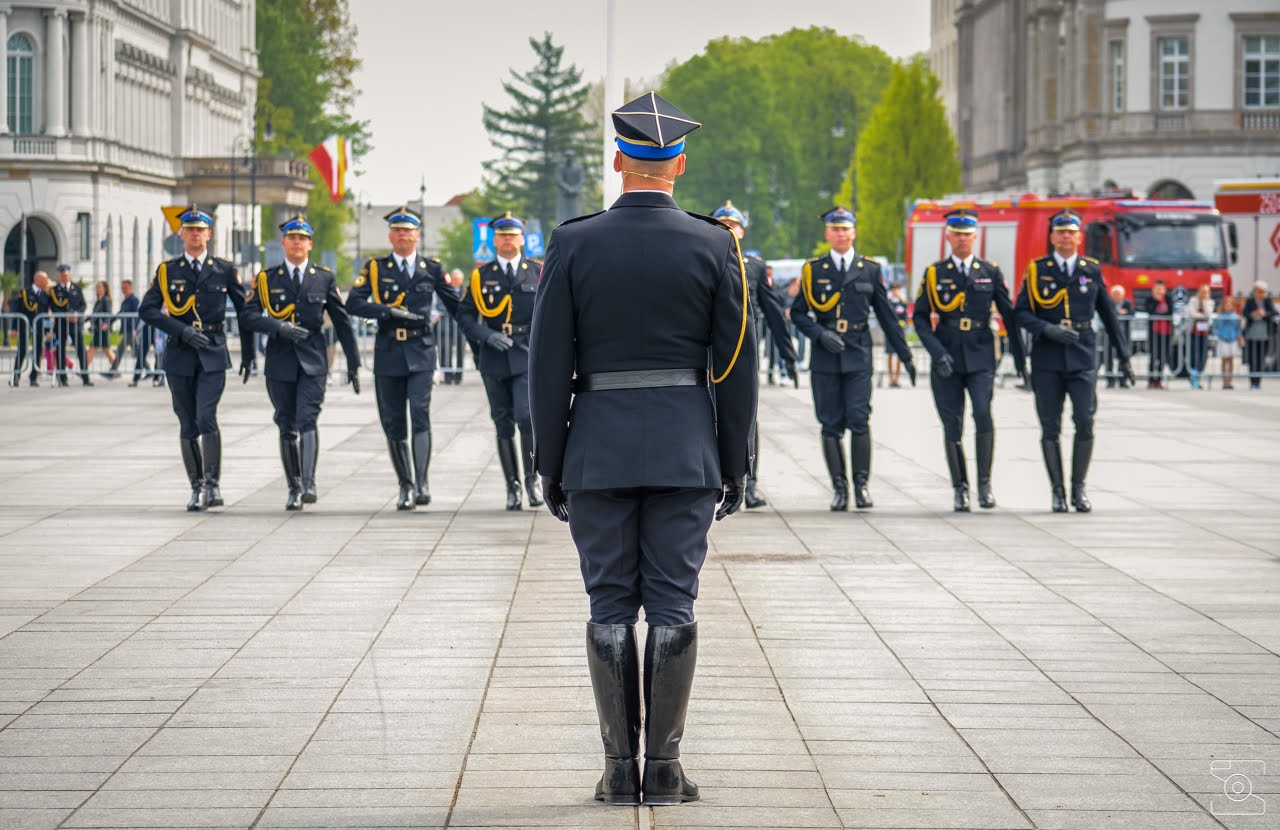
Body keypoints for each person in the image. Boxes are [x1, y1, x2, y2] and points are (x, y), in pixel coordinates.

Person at [529, 92, 756, 807]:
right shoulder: (716, 244)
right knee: (672, 603)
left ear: (619, 160)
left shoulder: (572, 243)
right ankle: (663, 770)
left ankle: (616, 769)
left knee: (608, 604)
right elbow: (735, 365)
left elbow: (546, 366)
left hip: (597, 450)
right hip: (686, 452)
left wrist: (551, 459)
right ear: (679, 166)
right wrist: (734, 459)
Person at [790, 206, 916, 510]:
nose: (841, 234)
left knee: (860, 419)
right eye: (835, 229)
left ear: (853, 232)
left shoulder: (870, 269)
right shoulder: (813, 270)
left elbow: (886, 316)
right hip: (825, 356)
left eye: (845, 229)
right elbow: (797, 313)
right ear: (827, 234)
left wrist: (905, 355)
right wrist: (819, 334)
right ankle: (840, 488)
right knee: (830, 423)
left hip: (858, 353)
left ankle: (861, 486)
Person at [1014, 210, 1133, 513]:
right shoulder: (1037, 270)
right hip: (1048, 357)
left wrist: (1124, 355)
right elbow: (1022, 313)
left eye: (1071, 232)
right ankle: (1058, 491)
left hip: (1082, 354)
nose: (1066, 237)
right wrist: (1047, 329)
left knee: (1084, 419)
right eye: (1060, 232)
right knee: (1050, 425)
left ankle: (1079, 488)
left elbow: (1108, 313)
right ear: (1052, 236)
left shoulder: (1091, 269)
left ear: (1079, 236)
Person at [138, 205, 252, 511]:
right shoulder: (168, 271)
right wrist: (180, 330)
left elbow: (245, 312)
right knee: (187, 422)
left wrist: (250, 352)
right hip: (180, 352)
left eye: (200, 230)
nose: (195, 234)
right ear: (181, 234)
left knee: (206, 416)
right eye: (190, 229)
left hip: (213, 350)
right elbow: (147, 310)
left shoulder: (224, 270)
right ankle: (196, 487)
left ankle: (213, 485)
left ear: (209, 234)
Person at [244, 214, 361, 510]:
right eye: (291, 238)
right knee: (286, 423)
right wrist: (278, 326)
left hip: (312, 358)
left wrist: (354, 362)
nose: (297, 243)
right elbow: (248, 316)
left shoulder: (323, 277)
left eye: (302, 238)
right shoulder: (267, 279)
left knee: (308, 417)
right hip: (280, 359)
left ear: (310, 244)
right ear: (284, 243)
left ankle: (309, 482)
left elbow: (341, 321)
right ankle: (293, 486)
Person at [347, 206, 461, 510]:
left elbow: (456, 306)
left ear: (417, 235)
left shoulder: (432, 269)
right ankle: (405, 485)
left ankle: (422, 482)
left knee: (420, 413)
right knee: (393, 420)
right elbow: (353, 303)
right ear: (390, 235)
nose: (403, 236)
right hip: (388, 352)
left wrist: (480, 332)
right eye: (398, 230)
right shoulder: (375, 268)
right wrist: (385, 310)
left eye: (408, 231)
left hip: (421, 350)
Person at [913, 208, 1026, 512]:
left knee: (983, 413)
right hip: (947, 352)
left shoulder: (989, 271)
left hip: (980, 353)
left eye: (967, 234)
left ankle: (984, 485)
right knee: (952, 424)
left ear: (975, 237)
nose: (962, 239)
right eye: (957, 234)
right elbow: (920, 318)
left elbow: (1009, 316)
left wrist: (1020, 360)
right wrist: (937, 352)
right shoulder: (935, 272)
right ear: (948, 236)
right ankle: (960, 488)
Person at [711, 201, 797, 509]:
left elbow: (773, 311)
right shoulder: (704, 257)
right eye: (722, 224)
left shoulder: (755, 266)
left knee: (747, 417)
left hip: (743, 353)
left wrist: (788, 354)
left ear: (742, 231)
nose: (728, 229)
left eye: (733, 225)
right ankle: (715, 480)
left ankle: (749, 483)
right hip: (709, 352)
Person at [457, 212, 544, 511]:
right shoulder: (481, 275)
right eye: (502, 235)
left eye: (512, 234)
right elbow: (465, 314)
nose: (507, 239)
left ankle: (532, 481)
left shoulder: (538, 272)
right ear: (495, 240)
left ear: (522, 239)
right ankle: (512, 486)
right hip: (494, 355)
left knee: (526, 417)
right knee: (502, 422)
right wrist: (484, 335)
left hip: (526, 353)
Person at [47, 265, 93, 386]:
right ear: (58, 276)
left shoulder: (76, 288)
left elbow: (83, 304)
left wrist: (77, 314)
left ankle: (85, 377)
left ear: (69, 275)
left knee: (81, 350)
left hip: (75, 324)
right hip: (61, 324)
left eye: (66, 275)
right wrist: (64, 315)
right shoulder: (54, 290)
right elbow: (52, 306)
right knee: (61, 350)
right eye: (62, 276)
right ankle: (62, 378)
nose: (64, 277)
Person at [9, 272, 50, 387]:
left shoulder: (45, 296)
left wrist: (47, 331)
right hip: (25, 327)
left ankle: (33, 377)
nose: (46, 282)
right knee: (22, 351)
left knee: (38, 352)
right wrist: (14, 328)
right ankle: (16, 377)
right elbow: (17, 311)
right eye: (45, 279)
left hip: (39, 328)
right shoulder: (24, 293)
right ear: (37, 279)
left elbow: (45, 315)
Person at [1242, 281, 1277, 389]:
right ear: (1255, 291)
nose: (1261, 294)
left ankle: (1258, 382)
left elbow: (1274, 313)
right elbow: (1244, 313)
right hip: (1251, 335)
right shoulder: (1250, 301)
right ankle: (1252, 382)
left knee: (1261, 359)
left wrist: (1265, 314)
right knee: (1252, 359)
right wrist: (1252, 314)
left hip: (1264, 335)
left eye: (1263, 292)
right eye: (1259, 291)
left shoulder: (1267, 301)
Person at [110, 279, 144, 384]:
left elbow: (137, 316)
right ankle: (148, 370)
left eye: (125, 287)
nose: (123, 290)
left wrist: (135, 329)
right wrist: (110, 321)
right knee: (138, 352)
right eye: (122, 288)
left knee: (120, 349)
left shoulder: (134, 300)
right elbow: (120, 313)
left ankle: (113, 370)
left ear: (130, 288)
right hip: (126, 330)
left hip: (131, 330)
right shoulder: (125, 301)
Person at [1184, 284, 1214, 389]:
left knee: (1203, 356)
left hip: (1204, 333)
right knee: (1194, 355)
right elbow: (1192, 314)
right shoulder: (1192, 301)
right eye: (1202, 291)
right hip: (1193, 332)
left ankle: (1198, 376)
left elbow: (1209, 313)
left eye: (1206, 292)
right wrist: (1202, 315)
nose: (1204, 294)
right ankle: (1193, 378)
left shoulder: (1210, 302)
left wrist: (1204, 302)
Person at [1144, 280, 1172, 389]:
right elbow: (1150, 311)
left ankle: (1158, 380)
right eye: (1156, 289)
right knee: (1153, 357)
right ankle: (1150, 379)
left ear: (1164, 290)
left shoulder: (1168, 300)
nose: (1159, 291)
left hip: (1166, 332)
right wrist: (1156, 301)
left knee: (1162, 357)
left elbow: (1170, 312)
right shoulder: (1150, 300)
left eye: (1161, 289)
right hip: (1154, 332)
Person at [1104, 285, 1134, 388]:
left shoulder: (1127, 303)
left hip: (1124, 335)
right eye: (1115, 294)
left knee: (1124, 356)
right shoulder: (1109, 303)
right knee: (1109, 356)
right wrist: (1117, 313)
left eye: (1119, 294)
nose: (1117, 296)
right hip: (1110, 334)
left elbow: (1132, 312)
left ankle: (1123, 380)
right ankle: (1110, 380)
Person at [1213, 294, 1243, 390]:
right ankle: (1224, 380)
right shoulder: (1219, 316)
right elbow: (1215, 328)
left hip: (1232, 339)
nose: (1228, 306)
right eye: (1226, 304)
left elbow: (1238, 328)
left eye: (1230, 304)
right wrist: (1220, 335)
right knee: (1224, 360)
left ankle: (1230, 380)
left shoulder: (1235, 317)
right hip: (1223, 339)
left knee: (1231, 360)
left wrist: (1237, 336)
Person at [86, 280, 116, 373]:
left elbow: (108, 313)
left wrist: (106, 323)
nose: (97, 289)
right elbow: (94, 314)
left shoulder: (106, 300)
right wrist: (85, 320)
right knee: (105, 349)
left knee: (94, 349)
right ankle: (115, 369)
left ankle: (84, 370)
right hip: (98, 329)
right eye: (97, 287)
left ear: (105, 289)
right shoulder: (98, 301)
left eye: (100, 287)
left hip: (103, 329)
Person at [886, 283, 909, 388]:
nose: (896, 291)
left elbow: (905, 317)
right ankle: (891, 379)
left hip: (900, 332)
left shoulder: (902, 303)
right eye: (894, 289)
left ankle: (897, 379)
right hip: (890, 332)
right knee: (890, 355)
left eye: (897, 289)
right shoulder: (888, 303)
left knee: (900, 356)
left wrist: (902, 323)